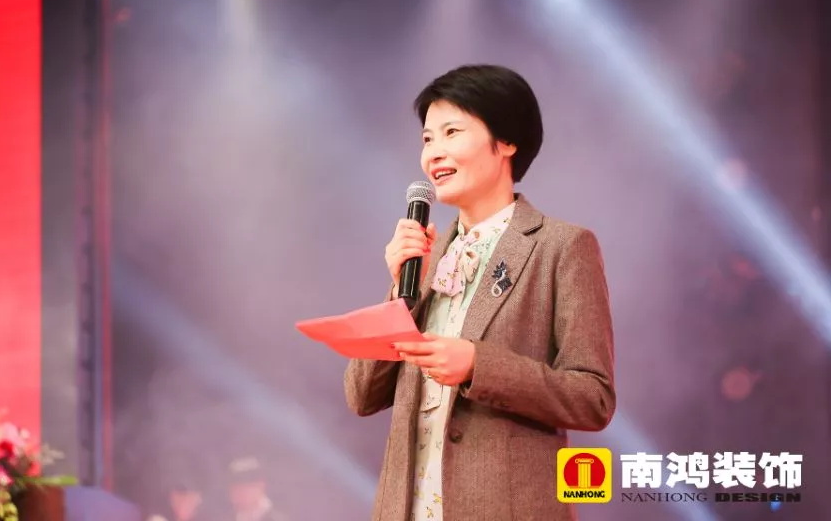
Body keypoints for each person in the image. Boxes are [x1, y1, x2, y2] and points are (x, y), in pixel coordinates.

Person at [344, 65, 616, 521]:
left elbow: (593, 397)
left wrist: (478, 365)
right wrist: (399, 292)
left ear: (506, 141)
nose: (434, 152)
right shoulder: (425, 258)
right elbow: (361, 396)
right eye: (427, 139)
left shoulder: (561, 246)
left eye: (452, 132)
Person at [225, 456, 287, 521]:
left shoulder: (277, 519)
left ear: (260, 487)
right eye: (234, 491)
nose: (237, 497)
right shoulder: (228, 517)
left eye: (243, 490)